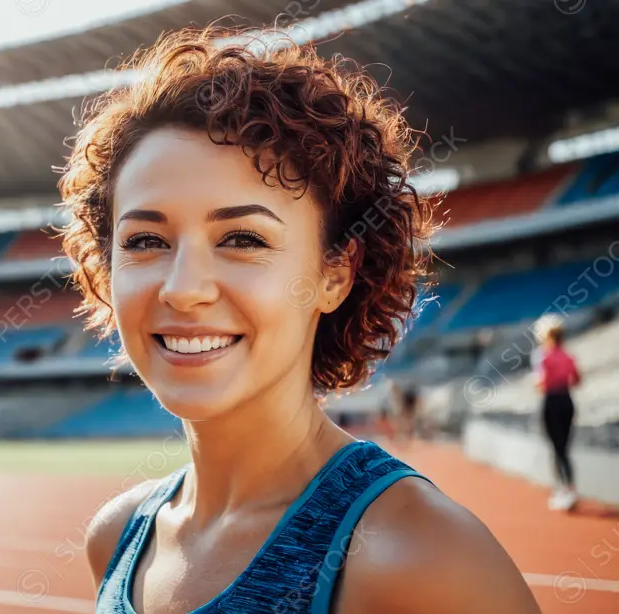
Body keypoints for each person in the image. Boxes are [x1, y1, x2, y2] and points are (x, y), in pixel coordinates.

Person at [57, 26, 540, 613]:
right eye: (145, 240)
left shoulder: (422, 558)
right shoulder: (114, 539)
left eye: (241, 237)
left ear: (335, 274)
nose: (183, 288)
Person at [535, 323, 581, 511]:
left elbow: (542, 383)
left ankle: (562, 489)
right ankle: (569, 487)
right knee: (564, 447)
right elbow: (577, 380)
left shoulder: (544, 357)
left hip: (552, 401)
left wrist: (538, 383)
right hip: (567, 400)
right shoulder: (569, 356)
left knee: (556, 447)